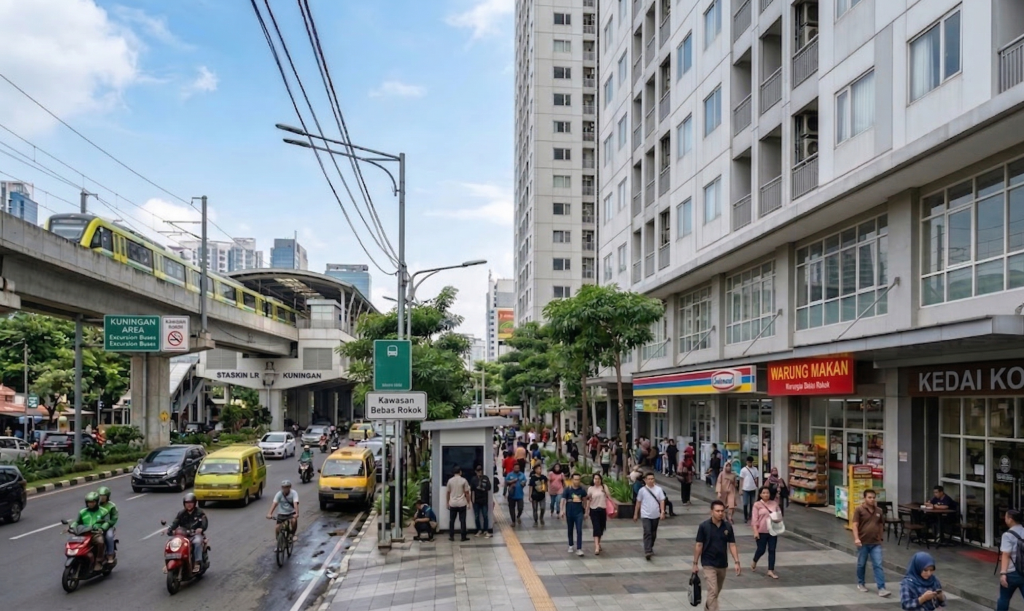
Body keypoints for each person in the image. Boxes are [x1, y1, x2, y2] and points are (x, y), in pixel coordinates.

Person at [693, 500, 741, 611]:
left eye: (722, 511)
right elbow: (699, 545)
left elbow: (732, 545)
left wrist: (737, 562)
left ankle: (707, 608)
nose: (720, 513)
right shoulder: (704, 526)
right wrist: (695, 563)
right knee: (713, 591)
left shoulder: (727, 526)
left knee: (715, 592)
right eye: (717, 511)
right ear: (712, 512)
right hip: (708, 563)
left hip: (722, 564)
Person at [853, 488, 891, 597]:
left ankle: (881, 588)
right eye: (869, 497)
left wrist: (880, 537)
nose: (872, 499)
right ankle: (861, 583)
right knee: (861, 564)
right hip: (863, 542)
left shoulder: (879, 511)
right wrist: (856, 538)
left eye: (874, 497)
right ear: (864, 498)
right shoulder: (859, 510)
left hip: (875, 543)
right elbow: (855, 525)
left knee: (878, 564)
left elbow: (880, 524)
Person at [167, 493, 207, 573]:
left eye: (191, 502)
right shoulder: (181, 513)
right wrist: (170, 529)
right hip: (183, 535)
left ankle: (197, 562)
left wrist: (201, 529)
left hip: (195, 535)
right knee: (172, 542)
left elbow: (204, 523)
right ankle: (170, 560)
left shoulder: (200, 512)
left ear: (194, 503)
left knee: (197, 542)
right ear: (184, 504)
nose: (189, 505)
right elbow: (175, 523)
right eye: (187, 503)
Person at [70, 491, 110, 569]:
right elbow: (77, 522)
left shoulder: (103, 511)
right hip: (83, 533)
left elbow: (107, 522)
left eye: (92, 502)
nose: (90, 504)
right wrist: (72, 526)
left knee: (100, 541)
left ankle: (99, 561)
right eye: (89, 502)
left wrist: (101, 528)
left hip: (95, 533)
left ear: (97, 502)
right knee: (73, 543)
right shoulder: (82, 512)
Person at [633, 472, 666, 560]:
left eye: (652, 479)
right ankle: (647, 550)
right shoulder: (642, 490)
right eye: (649, 479)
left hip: (655, 515)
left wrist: (662, 512)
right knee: (647, 532)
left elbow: (662, 501)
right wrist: (636, 514)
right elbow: (638, 502)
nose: (651, 480)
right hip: (645, 515)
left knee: (653, 533)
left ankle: (650, 546)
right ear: (645, 480)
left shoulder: (659, 489)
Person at [750, 486, 781, 579]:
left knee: (772, 550)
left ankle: (770, 570)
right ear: (760, 494)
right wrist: (755, 531)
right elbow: (754, 519)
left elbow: (779, 515)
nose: (766, 494)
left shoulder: (774, 504)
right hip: (761, 531)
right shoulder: (757, 505)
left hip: (772, 531)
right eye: (763, 493)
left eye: (767, 493)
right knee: (761, 549)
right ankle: (754, 561)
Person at [998, 509, 1024, 609]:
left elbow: (1006, 554)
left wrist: (1003, 573)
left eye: (1006, 517)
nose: (1004, 519)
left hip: (1012, 572)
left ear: (1010, 519)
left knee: (1004, 598)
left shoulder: (1007, 535)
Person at [561, 472, 588, 556]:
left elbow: (585, 500)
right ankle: (570, 545)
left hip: (579, 512)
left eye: (578, 479)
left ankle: (579, 548)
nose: (577, 481)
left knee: (579, 530)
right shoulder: (567, 489)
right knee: (570, 529)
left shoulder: (582, 490)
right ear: (572, 480)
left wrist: (586, 512)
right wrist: (562, 510)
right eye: (575, 479)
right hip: (569, 512)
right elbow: (563, 500)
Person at [587, 473, 610, 555]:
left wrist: (605, 492)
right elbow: (588, 500)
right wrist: (587, 511)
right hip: (594, 510)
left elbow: (609, 496)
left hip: (602, 509)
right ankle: (596, 546)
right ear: (593, 480)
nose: (597, 480)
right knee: (596, 527)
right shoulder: (590, 489)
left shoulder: (604, 487)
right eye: (595, 479)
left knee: (601, 528)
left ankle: (598, 543)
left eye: (598, 479)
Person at [446, 465, 471, 541]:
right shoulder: (464, 480)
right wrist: (468, 502)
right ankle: (463, 537)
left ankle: (451, 536)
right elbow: (467, 492)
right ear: (460, 472)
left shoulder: (450, 481)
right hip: (462, 503)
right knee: (462, 520)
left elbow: (448, 492)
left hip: (453, 503)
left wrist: (447, 502)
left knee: (452, 520)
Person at [96, 486, 118, 563]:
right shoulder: (94, 505)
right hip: (95, 526)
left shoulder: (111, 506)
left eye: (103, 496)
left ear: (107, 496)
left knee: (109, 536)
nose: (101, 498)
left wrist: (107, 524)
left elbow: (114, 518)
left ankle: (110, 555)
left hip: (108, 526)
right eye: (100, 496)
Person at [470, 465, 492, 538]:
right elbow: (472, 490)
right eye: (478, 471)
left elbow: (489, 487)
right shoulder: (473, 479)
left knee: (485, 515)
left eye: (480, 470)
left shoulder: (485, 478)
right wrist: (472, 500)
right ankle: (478, 530)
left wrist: (483, 487)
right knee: (477, 516)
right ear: (475, 471)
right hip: (476, 500)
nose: (480, 472)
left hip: (484, 500)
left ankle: (486, 530)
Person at [739, 456, 760, 523]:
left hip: (753, 488)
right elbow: (741, 479)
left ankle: (750, 515)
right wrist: (740, 489)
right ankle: (745, 517)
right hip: (745, 488)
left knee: (752, 503)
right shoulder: (743, 470)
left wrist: (757, 485)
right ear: (746, 462)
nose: (750, 463)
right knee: (745, 503)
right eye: (748, 462)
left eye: (751, 462)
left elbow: (756, 478)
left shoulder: (755, 469)